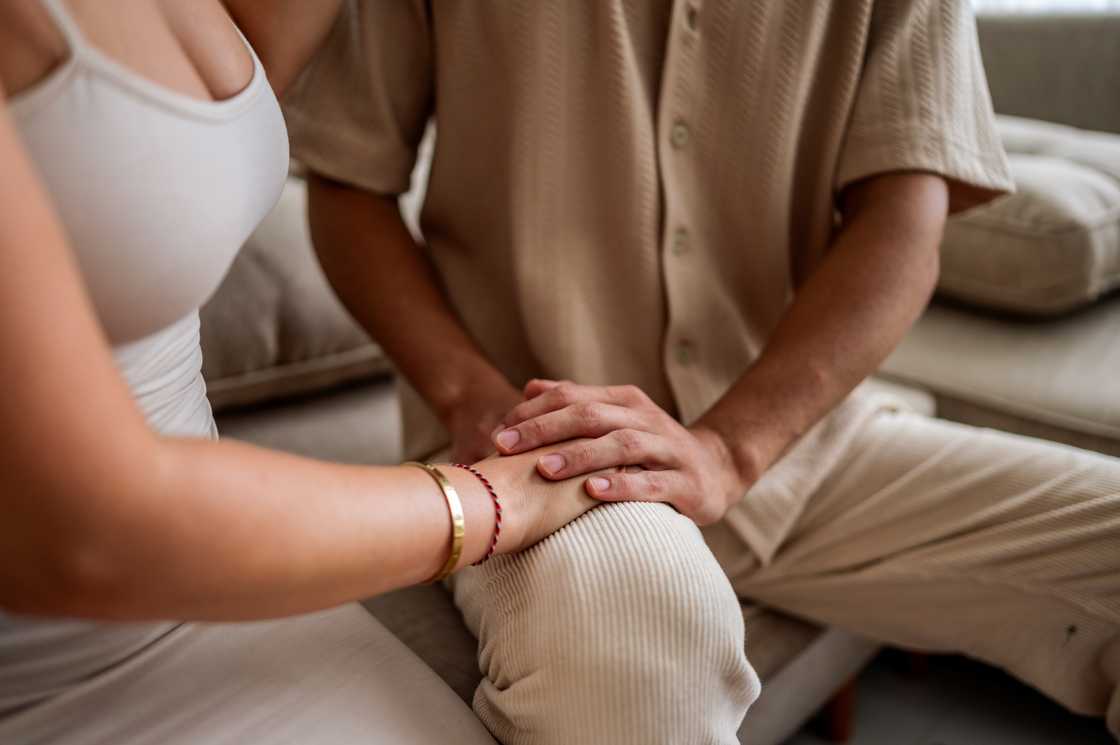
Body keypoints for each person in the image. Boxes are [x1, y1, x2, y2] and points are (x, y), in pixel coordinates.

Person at [286, 1, 1120, 743]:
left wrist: (730, 448)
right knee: (635, 639)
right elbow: (349, 182)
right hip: (541, 455)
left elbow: (905, 218)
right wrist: (471, 396)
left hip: (804, 453)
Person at [0, 1, 656, 742]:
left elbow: (218, 101)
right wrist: (498, 499)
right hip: (46, 661)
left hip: (223, 596)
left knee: (640, 626)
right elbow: (90, 535)